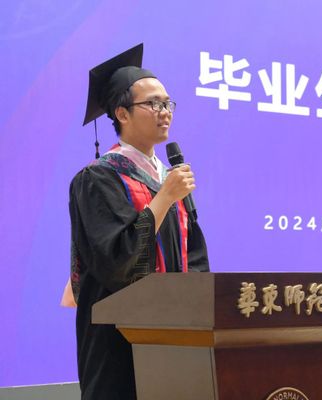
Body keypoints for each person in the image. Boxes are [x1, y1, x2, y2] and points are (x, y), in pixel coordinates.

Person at [67, 43, 209, 399]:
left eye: (168, 104)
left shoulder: (169, 177)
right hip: (118, 341)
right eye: (153, 104)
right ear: (122, 114)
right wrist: (164, 198)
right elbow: (116, 262)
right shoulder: (98, 178)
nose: (165, 112)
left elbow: (194, 258)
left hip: (175, 335)